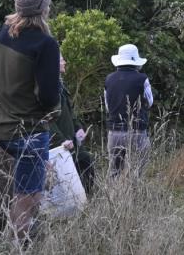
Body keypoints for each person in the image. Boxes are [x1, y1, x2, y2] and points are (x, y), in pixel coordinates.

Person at [0, 0, 60, 241]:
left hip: (2, 126)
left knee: (28, 189)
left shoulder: (2, 33)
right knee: (27, 194)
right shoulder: (45, 44)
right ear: (44, 9)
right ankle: (19, 243)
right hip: (28, 131)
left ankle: (23, 236)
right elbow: (48, 97)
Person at [104, 44, 153, 178]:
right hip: (137, 131)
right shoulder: (142, 79)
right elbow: (150, 102)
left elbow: (108, 106)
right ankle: (134, 198)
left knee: (114, 172)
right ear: (135, 62)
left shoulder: (109, 79)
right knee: (137, 172)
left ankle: (114, 197)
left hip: (114, 132)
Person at [49, 54, 95, 194]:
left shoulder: (60, 84)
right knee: (66, 180)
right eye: (62, 59)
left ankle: (87, 201)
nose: (65, 62)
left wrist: (79, 129)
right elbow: (47, 119)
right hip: (61, 144)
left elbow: (70, 112)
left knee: (85, 162)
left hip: (72, 139)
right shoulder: (49, 87)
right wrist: (61, 141)